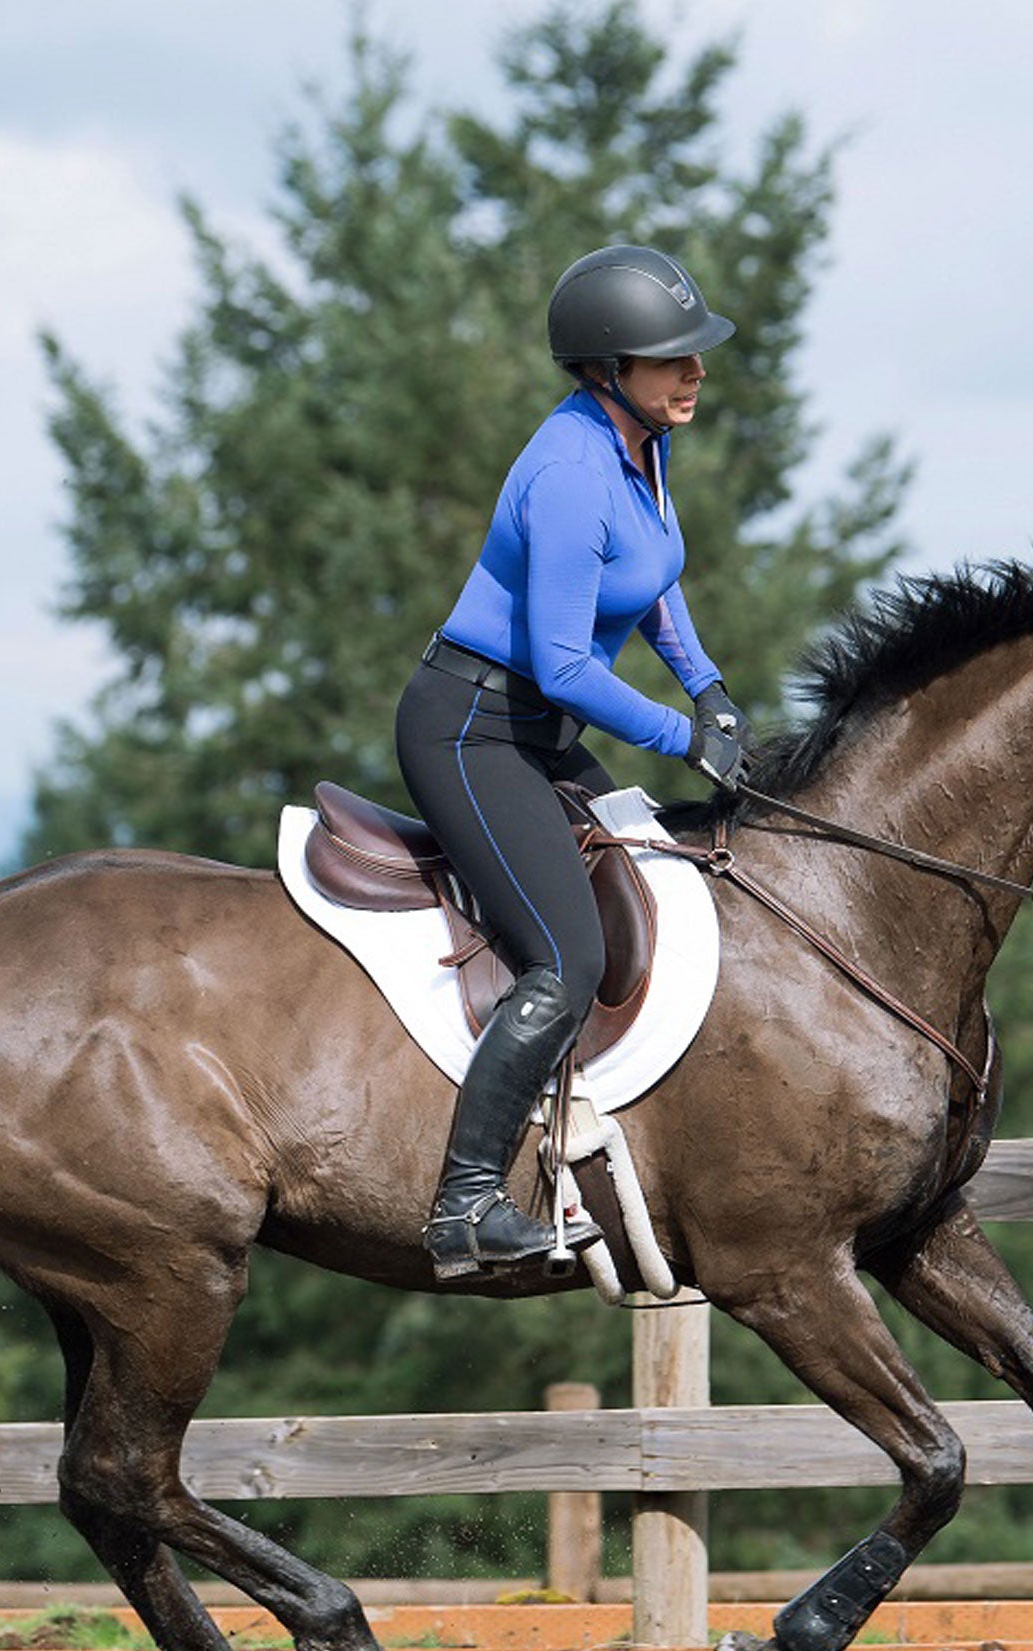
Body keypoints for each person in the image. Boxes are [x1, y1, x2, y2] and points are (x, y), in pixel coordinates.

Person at [397, 244, 752, 1283]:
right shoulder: (566, 471)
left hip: (535, 733)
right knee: (566, 956)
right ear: (604, 369)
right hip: (473, 730)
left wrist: (709, 686)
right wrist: (678, 735)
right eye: (666, 359)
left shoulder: (640, 444)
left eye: (692, 356)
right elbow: (557, 662)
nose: (691, 373)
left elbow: (654, 580)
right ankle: (464, 1205)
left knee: (660, 891)